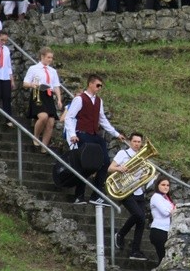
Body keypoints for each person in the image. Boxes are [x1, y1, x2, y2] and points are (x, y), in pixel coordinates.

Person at [64, 74, 126, 204]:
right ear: (90, 84)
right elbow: (69, 117)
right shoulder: (80, 99)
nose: (99, 88)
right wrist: (72, 135)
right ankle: (79, 195)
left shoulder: (99, 101)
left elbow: (102, 119)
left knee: (105, 163)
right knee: (85, 164)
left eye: (101, 86)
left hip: (93, 135)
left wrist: (115, 133)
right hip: (82, 134)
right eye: (98, 85)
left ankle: (96, 194)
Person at [109, 132, 149, 261]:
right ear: (130, 142)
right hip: (125, 190)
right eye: (135, 141)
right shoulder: (123, 154)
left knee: (142, 221)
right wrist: (120, 168)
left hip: (138, 190)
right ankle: (120, 234)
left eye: (139, 142)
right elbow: (110, 168)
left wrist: (145, 177)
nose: (137, 144)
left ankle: (135, 251)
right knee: (138, 215)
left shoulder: (142, 157)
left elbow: (142, 174)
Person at [23, 47, 63, 153]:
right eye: (48, 57)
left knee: (50, 121)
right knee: (43, 116)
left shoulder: (53, 71)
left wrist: (59, 99)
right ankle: (36, 137)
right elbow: (25, 83)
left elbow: (56, 86)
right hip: (37, 93)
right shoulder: (33, 68)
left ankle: (44, 145)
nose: (50, 60)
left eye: (51, 58)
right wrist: (33, 84)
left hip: (48, 95)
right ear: (42, 57)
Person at [150, 175, 175, 266]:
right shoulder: (156, 197)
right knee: (163, 258)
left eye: (167, 185)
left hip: (166, 230)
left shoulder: (166, 198)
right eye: (163, 185)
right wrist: (174, 211)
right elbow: (165, 212)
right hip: (158, 230)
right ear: (157, 185)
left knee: (165, 259)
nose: (166, 187)